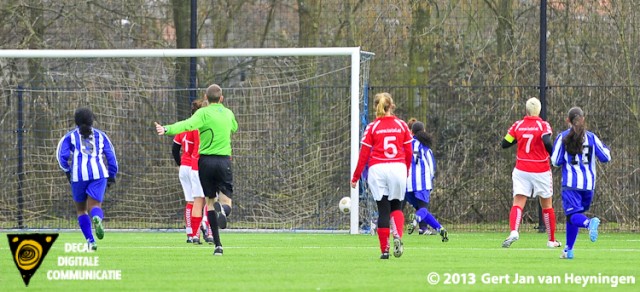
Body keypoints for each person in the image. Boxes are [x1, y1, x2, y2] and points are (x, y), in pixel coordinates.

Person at [155, 84, 237, 256]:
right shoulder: (228, 113)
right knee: (226, 202)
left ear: (206, 99)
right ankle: (224, 211)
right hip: (223, 160)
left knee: (209, 203)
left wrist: (167, 129)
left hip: (204, 162)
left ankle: (218, 246)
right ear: (221, 99)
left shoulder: (202, 113)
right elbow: (234, 127)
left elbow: (186, 125)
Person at [351, 92, 412, 260]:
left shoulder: (372, 127)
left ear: (375, 107)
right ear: (391, 106)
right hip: (397, 167)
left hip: (378, 169)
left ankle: (384, 251)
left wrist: (355, 177)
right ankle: (397, 235)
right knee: (396, 207)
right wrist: (405, 171)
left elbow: (363, 154)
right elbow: (408, 153)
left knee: (383, 210)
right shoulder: (401, 125)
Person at [551, 107, 611, 259]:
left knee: (573, 216)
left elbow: (555, 161)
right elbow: (606, 157)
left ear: (568, 120)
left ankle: (589, 224)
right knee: (573, 214)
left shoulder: (563, 137)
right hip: (588, 186)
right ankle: (568, 250)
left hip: (571, 185)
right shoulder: (591, 137)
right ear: (583, 119)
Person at [500, 97, 561, 248]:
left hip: (521, 169)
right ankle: (551, 240)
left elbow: (505, 143)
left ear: (526, 110)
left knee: (518, 202)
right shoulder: (543, 125)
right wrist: (553, 155)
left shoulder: (518, 125)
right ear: (539, 110)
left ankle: (514, 231)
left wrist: (519, 138)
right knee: (547, 205)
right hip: (540, 169)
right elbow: (546, 141)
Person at [56, 108, 118, 251]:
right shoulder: (101, 136)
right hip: (99, 174)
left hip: (78, 175)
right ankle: (97, 218)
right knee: (95, 206)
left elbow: (62, 157)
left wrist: (67, 171)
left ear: (76, 121)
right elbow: (112, 158)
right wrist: (111, 176)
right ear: (92, 120)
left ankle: (91, 241)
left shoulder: (69, 137)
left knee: (81, 210)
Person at [172, 99, 213, 245]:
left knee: (192, 201)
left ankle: (191, 233)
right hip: (198, 166)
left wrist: (180, 163)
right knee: (207, 201)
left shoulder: (184, 126)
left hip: (186, 167)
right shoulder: (201, 127)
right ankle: (206, 230)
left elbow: (175, 148)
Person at [404, 119, 448, 242]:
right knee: (422, 209)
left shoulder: (405, 144)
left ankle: (441, 230)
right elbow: (431, 166)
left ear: (411, 132)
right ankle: (415, 219)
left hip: (407, 183)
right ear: (423, 131)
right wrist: (431, 179)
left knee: (422, 210)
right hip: (422, 183)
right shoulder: (426, 148)